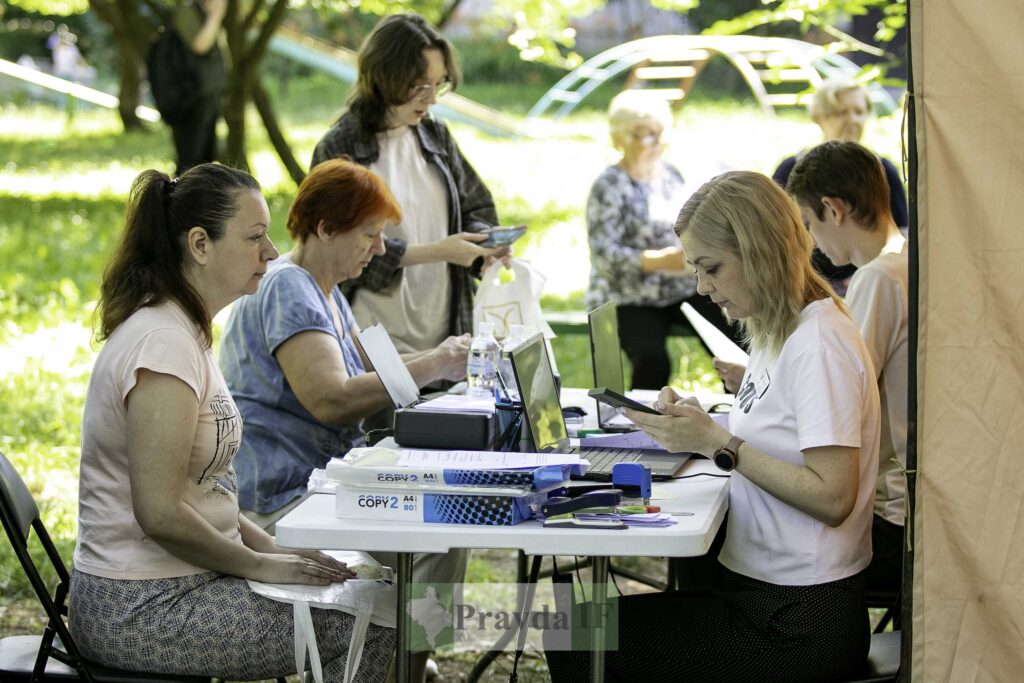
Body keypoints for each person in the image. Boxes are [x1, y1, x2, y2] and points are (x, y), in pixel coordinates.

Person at [545, 171, 881, 682]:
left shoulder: (818, 344)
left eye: (711, 268)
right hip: (769, 597)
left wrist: (718, 442)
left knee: (574, 634)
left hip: (797, 621)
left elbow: (834, 497)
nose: (703, 287)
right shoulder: (783, 327)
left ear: (761, 251)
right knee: (576, 624)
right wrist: (700, 425)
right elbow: (782, 423)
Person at [69, 163, 393, 681]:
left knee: (371, 595)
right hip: (141, 605)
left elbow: (205, 492)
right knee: (375, 620)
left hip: (184, 582)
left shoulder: (183, 332)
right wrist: (261, 565)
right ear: (200, 244)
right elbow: (161, 513)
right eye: (255, 237)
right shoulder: (163, 346)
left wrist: (278, 551)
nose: (270, 252)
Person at [218, 159, 470, 683]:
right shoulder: (290, 287)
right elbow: (331, 399)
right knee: (439, 535)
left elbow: (381, 374)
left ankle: (404, 666)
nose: (379, 249)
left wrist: (454, 382)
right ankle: (398, 668)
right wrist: (438, 363)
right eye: (370, 234)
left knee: (446, 525)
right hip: (286, 499)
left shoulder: (325, 291)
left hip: (320, 484)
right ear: (326, 228)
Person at [310, 12, 507, 356]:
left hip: (445, 330)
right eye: (420, 85)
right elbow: (334, 250)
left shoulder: (435, 135)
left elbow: (476, 206)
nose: (431, 98)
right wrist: (440, 251)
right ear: (385, 76)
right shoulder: (341, 148)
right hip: (372, 338)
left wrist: (484, 246)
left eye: (439, 83)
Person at [787, 140, 909, 599]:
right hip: (898, 511)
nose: (811, 241)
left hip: (887, 522)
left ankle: (573, 640)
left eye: (807, 223)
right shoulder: (906, 260)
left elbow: (836, 391)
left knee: (729, 533)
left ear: (832, 209)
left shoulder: (879, 278)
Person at [585, 89, 741, 390]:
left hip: (682, 285)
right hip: (629, 294)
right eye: (642, 135)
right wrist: (661, 261)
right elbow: (604, 257)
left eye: (658, 133)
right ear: (619, 139)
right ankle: (645, 424)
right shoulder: (609, 185)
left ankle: (745, 413)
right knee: (652, 359)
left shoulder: (671, 174)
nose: (654, 142)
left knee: (734, 339)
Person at [771, 78, 908, 293]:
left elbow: (902, 233)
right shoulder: (790, 170)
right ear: (819, 117)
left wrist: (865, 275)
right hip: (804, 287)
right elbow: (772, 237)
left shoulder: (883, 171)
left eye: (859, 111)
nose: (852, 120)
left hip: (868, 283)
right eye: (841, 112)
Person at [163, 0, 226, 175]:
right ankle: (181, 200)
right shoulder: (187, 12)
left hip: (208, 96)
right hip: (190, 98)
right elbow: (200, 46)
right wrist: (215, 16)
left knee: (205, 157)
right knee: (190, 159)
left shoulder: (203, 14)